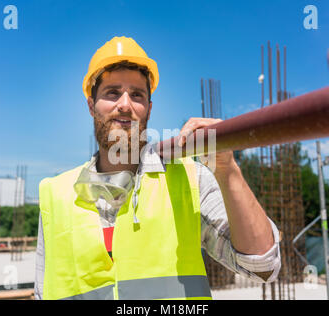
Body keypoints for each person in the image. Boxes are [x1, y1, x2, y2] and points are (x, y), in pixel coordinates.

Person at [34, 36, 281, 300]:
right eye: (112, 92)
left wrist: (227, 169)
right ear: (92, 106)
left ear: (148, 109)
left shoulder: (189, 179)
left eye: (137, 95)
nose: (125, 105)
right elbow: (42, 292)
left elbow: (263, 266)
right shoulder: (56, 194)